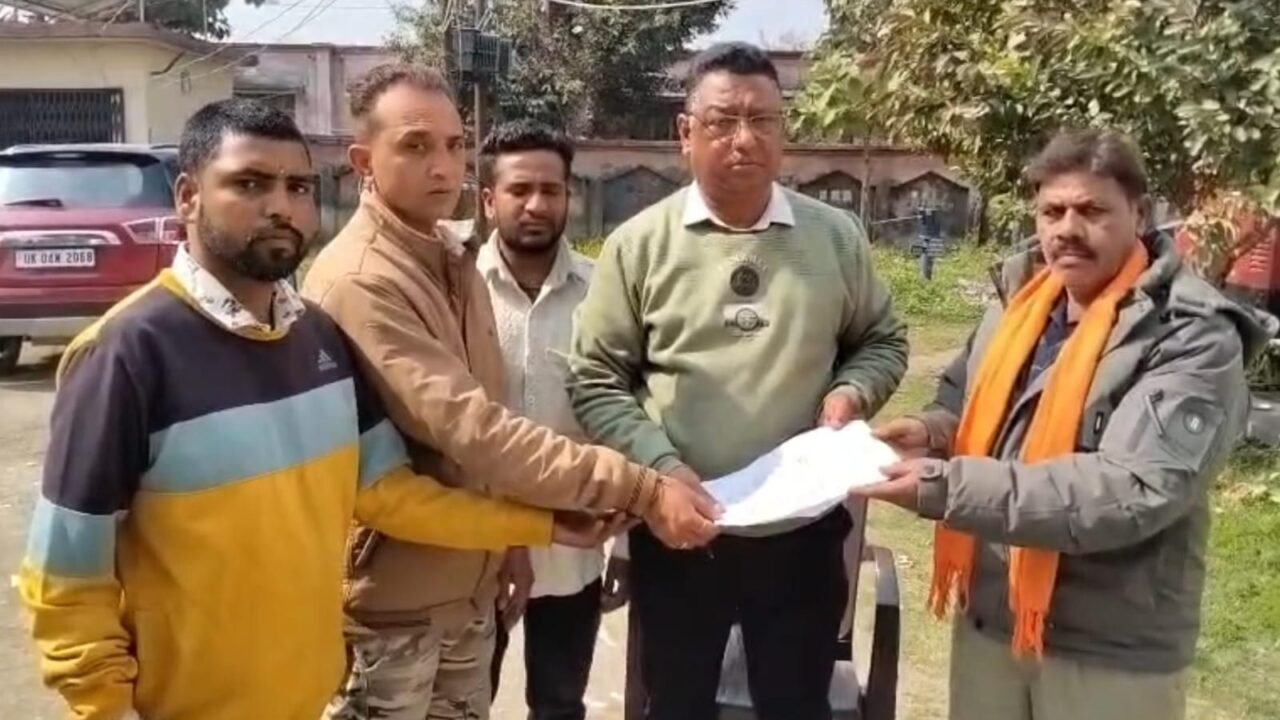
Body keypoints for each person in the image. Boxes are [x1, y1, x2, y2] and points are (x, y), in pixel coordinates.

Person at [15, 98, 611, 720]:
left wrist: (542, 526)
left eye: (297, 187)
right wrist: (105, 707)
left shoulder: (316, 339)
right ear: (188, 197)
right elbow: (66, 578)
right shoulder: (128, 354)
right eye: (250, 184)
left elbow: (390, 496)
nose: (281, 206)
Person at [302, 64, 719, 720]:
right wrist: (639, 489)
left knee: (558, 700)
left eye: (453, 145)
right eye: (415, 146)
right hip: (396, 602)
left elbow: (594, 405)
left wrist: (511, 541)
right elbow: (473, 427)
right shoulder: (364, 279)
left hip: (476, 574)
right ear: (363, 161)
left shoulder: (449, 260)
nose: (443, 166)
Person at [855, 129, 1279, 720]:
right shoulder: (1020, 303)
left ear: (1139, 214)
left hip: (1107, 645)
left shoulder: (1188, 334)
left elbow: (1133, 489)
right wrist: (932, 431)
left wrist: (947, 487)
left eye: (1092, 211)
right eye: (1052, 212)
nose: (1067, 229)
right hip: (992, 619)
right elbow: (964, 398)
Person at [568, 42, 910, 720]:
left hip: (801, 533)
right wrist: (662, 469)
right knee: (677, 703)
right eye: (723, 121)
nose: (744, 139)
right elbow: (596, 377)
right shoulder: (639, 245)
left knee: (796, 702)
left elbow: (882, 339)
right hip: (681, 529)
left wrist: (852, 392)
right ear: (685, 132)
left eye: (763, 120)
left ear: (784, 131)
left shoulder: (835, 237)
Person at [477, 120, 629, 720]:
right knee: (464, 703)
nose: (536, 205)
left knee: (561, 704)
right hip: (477, 550)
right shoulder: (456, 290)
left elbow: (630, 415)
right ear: (488, 200)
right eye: (519, 190)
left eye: (551, 190)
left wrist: (627, 546)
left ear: (571, 196)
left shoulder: (605, 292)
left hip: (575, 550)